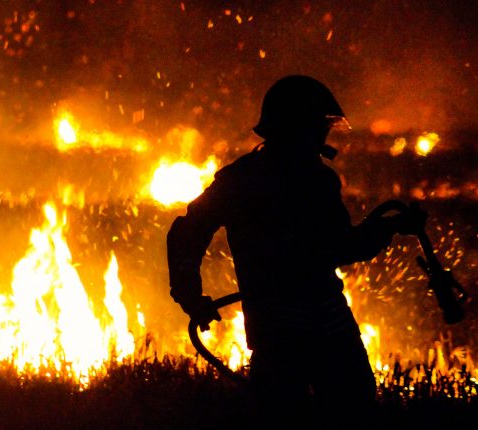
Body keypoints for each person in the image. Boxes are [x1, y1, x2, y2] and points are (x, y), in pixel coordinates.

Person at [166, 75, 416, 425]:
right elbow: (341, 247)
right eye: (317, 127)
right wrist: (386, 228)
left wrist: (190, 296)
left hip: (302, 325)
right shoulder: (293, 180)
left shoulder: (253, 179)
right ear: (296, 128)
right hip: (296, 328)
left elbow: (187, 232)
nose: (322, 136)